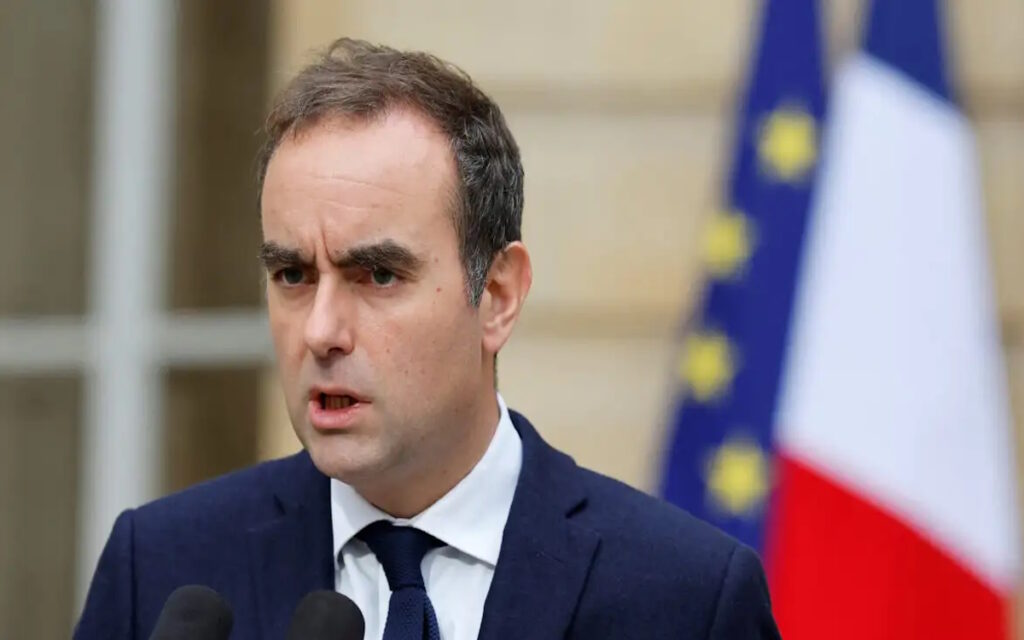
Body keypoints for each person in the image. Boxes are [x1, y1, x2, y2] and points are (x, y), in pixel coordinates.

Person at [75, 38, 780, 640]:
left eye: (378, 275)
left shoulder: (686, 598)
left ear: (497, 296)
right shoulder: (161, 571)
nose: (321, 331)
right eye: (293, 275)